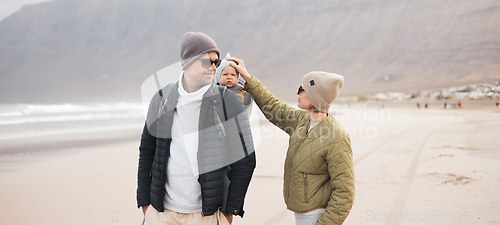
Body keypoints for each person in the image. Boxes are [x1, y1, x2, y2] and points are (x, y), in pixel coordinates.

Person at [137, 32, 256, 225]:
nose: (213, 67)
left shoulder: (228, 101)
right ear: (187, 62)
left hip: (207, 216)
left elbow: (245, 160)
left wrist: (229, 212)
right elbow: (147, 151)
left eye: (216, 62)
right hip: (161, 213)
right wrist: (145, 204)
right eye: (206, 62)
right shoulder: (161, 98)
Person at [226, 56, 355, 225]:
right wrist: (248, 78)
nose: (297, 92)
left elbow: (345, 193)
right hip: (300, 216)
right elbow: (272, 106)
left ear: (315, 96)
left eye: (302, 89)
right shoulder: (300, 120)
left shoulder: (336, 136)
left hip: (316, 218)